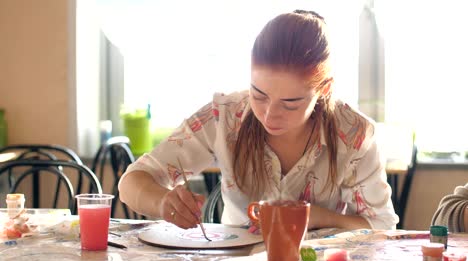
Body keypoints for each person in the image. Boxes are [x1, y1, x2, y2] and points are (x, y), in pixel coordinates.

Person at [118, 10, 399, 231]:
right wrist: (163, 201)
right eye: (259, 94)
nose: (268, 114)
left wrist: (313, 216)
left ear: (324, 89)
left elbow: (381, 226)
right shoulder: (225, 115)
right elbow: (131, 182)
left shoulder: (355, 134)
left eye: (290, 103)